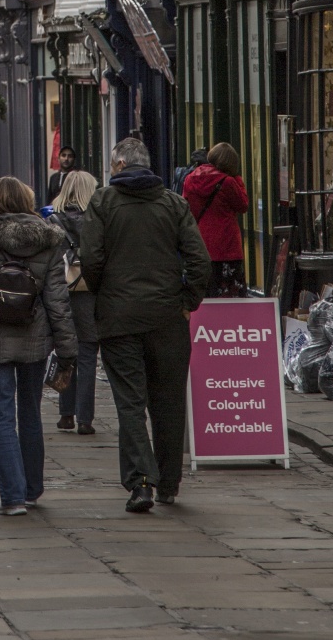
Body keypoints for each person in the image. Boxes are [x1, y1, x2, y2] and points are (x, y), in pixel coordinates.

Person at [79, 134, 211, 513]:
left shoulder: (103, 202)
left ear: (120, 166)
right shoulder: (174, 204)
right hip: (168, 317)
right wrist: (188, 300)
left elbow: (91, 258)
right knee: (168, 403)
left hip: (119, 320)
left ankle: (140, 484)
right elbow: (200, 261)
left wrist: (107, 293)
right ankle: (169, 482)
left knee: (131, 404)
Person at [0, 175, 76, 518]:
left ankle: (12, 497)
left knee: (3, 416)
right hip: (35, 338)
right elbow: (57, 300)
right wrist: (67, 348)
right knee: (31, 413)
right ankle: (32, 490)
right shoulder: (49, 242)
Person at [54, 169, 100, 435]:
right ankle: (85, 418)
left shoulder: (52, 221)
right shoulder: (96, 221)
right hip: (90, 292)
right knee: (87, 354)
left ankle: (65, 414)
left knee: (64, 352)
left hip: (61, 292)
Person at [182, 142, 250, 296]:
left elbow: (185, 208)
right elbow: (243, 205)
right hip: (227, 248)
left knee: (205, 295)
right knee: (229, 300)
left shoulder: (190, 179)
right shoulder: (228, 182)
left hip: (200, 245)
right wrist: (237, 178)